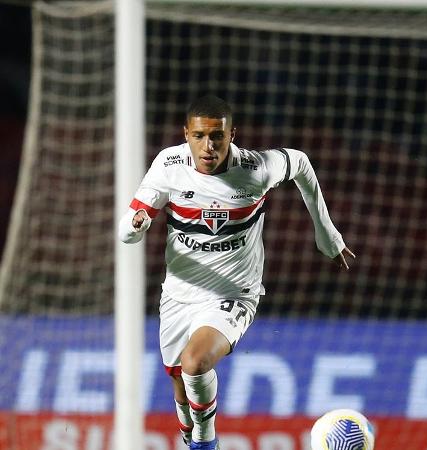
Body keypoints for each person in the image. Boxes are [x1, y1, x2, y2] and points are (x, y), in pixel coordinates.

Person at [118, 95, 355, 450]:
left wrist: (328, 235)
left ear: (232, 135)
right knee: (181, 389)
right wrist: (136, 225)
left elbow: (301, 164)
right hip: (178, 295)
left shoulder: (256, 168)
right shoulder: (169, 165)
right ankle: (192, 435)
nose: (208, 146)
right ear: (186, 134)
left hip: (234, 294)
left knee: (194, 363)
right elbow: (126, 230)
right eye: (199, 136)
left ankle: (206, 442)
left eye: (217, 136)